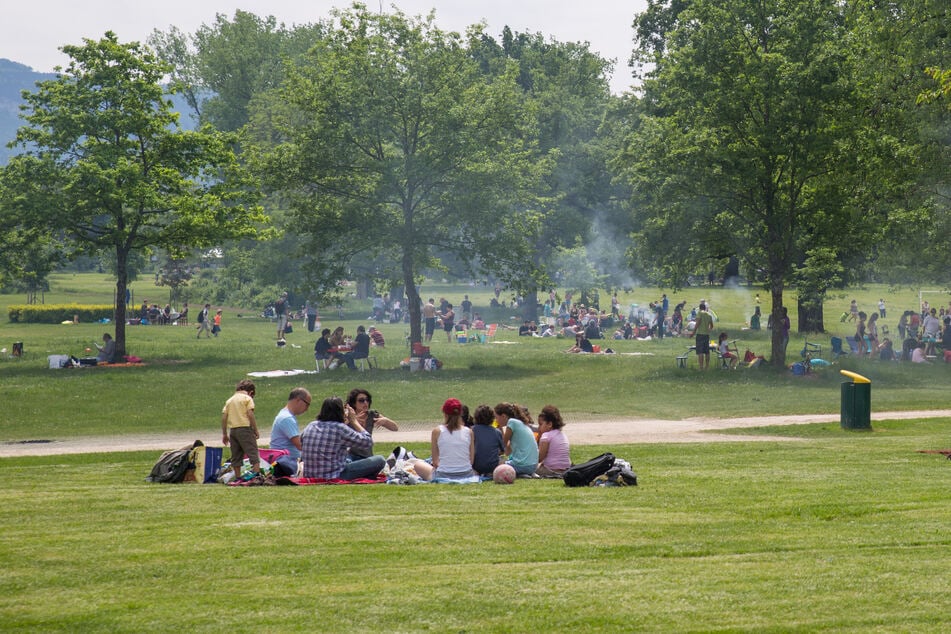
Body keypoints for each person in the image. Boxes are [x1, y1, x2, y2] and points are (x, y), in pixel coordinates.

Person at [300, 396, 385, 480]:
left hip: (310, 474)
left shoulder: (311, 425)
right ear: (340, 411)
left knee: (348, 459)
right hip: (335, 475)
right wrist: (354, 421)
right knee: (380, 460)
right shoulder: (340, 428)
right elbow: (367, 442)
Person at [410, 398, 476, 482]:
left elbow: (435, 462)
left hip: (444, 474)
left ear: (445, 414)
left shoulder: (437, 431)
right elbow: (471, 461)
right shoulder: (469, 432)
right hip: (466, 474)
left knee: (418, 465)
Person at [221, 379, 261, 480]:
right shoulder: (247, 398)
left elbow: (224, 417)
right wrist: (255, 429)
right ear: (251, 392)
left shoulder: (230, 400)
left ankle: (238, 477)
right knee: (253, 452)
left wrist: (225, 434)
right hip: (245, 428)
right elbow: (250, 414)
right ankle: (257, 474)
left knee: (236, 455)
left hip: (233, 431)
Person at [346, 388, 398, 459]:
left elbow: (395, 428)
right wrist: (352, 421)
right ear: (354, 403)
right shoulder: (348, 416)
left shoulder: (372, 414)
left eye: (367, 400)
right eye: (361, 400)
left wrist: (385, 420)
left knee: (380, 460)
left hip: (367, 456)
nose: (365, 403)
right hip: (351, 456)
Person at [269, 387, 311, 475]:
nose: (307, 409)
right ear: (298, 400)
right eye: (307, 404)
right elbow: (300, 445)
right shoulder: (287, 418)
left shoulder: (285, 415)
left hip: (286, 461)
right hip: (287, 463)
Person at [494, 402, 538, 477]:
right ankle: (523, 474)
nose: (496, 420)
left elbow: (502, 445)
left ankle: (521, 474)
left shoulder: (512, 422)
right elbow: (508, 449)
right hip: (533, 466)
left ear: (503, 416)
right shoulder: (520, 423)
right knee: (505, 461)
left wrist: (499, 430)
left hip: (523, 465)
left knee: (496, 466)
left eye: (496, 417)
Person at [535, 405, 570, 478]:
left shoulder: (546, 436)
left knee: (530, 469)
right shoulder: (562, 435)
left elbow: (539, 458)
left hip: (551, 470)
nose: (539, 427)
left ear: (550, 424)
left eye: (541, 424)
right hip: (566, 469)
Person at [471, 404, 505, 477]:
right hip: (492, 467)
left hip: (475, 465)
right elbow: (502, 451)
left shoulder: (471, 430)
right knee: (503, 459)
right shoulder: (497, 432)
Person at [691, 302, 715, 369]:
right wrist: (708, 330)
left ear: (699, 308)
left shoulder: (700, 313)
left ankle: (701, 367)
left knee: (700, 351)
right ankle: (707, 366)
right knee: (707, 351)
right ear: (705, 308)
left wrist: (693, 332)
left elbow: (698, 323)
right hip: (706, 335)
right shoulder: (709, 315)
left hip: (700, 334)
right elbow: (712, 326)